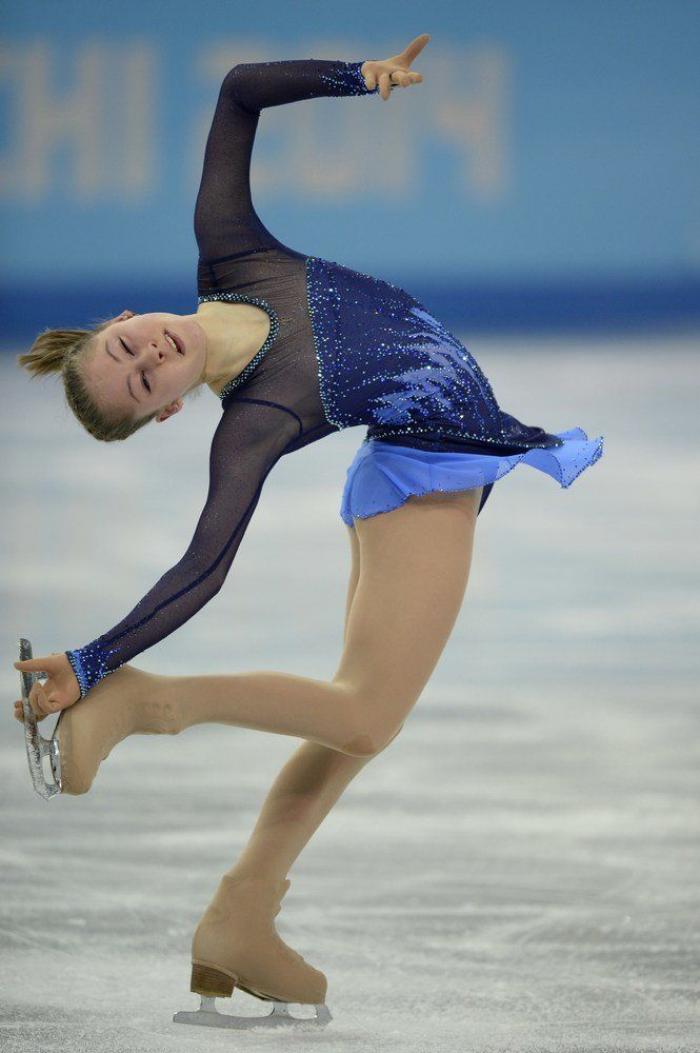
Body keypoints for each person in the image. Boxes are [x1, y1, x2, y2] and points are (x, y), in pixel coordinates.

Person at [13, 33, 603, 1024]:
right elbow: (204, 567)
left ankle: (241, 917)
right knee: (363, 717)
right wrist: (98, 662)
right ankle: (147, 707)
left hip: (414, 467)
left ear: (124, 314)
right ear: (167, 410)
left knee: (351, 720)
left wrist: (356, 78)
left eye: (127, 345)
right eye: (144, 381)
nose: (149, 356)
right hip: (426, 473)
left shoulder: (231, 252)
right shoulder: (254, 418)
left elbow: (239, 91)